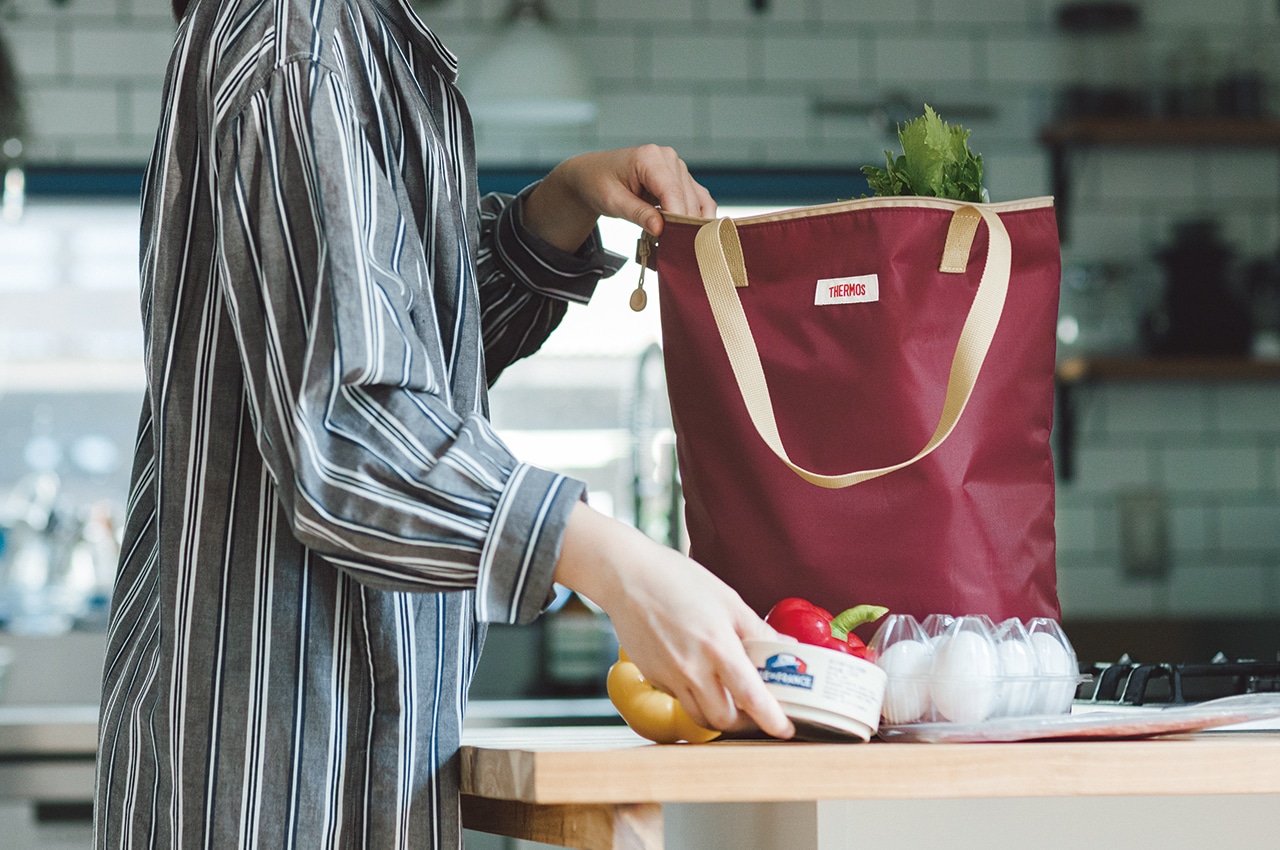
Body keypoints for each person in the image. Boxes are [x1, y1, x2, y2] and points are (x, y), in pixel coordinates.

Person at [93, 0, 795, 846]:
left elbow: (405, 346)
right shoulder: (297, 39)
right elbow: (350, 425)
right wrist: (622, 568)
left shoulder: (357, 45)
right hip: (268, 786)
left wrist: (556, 211)